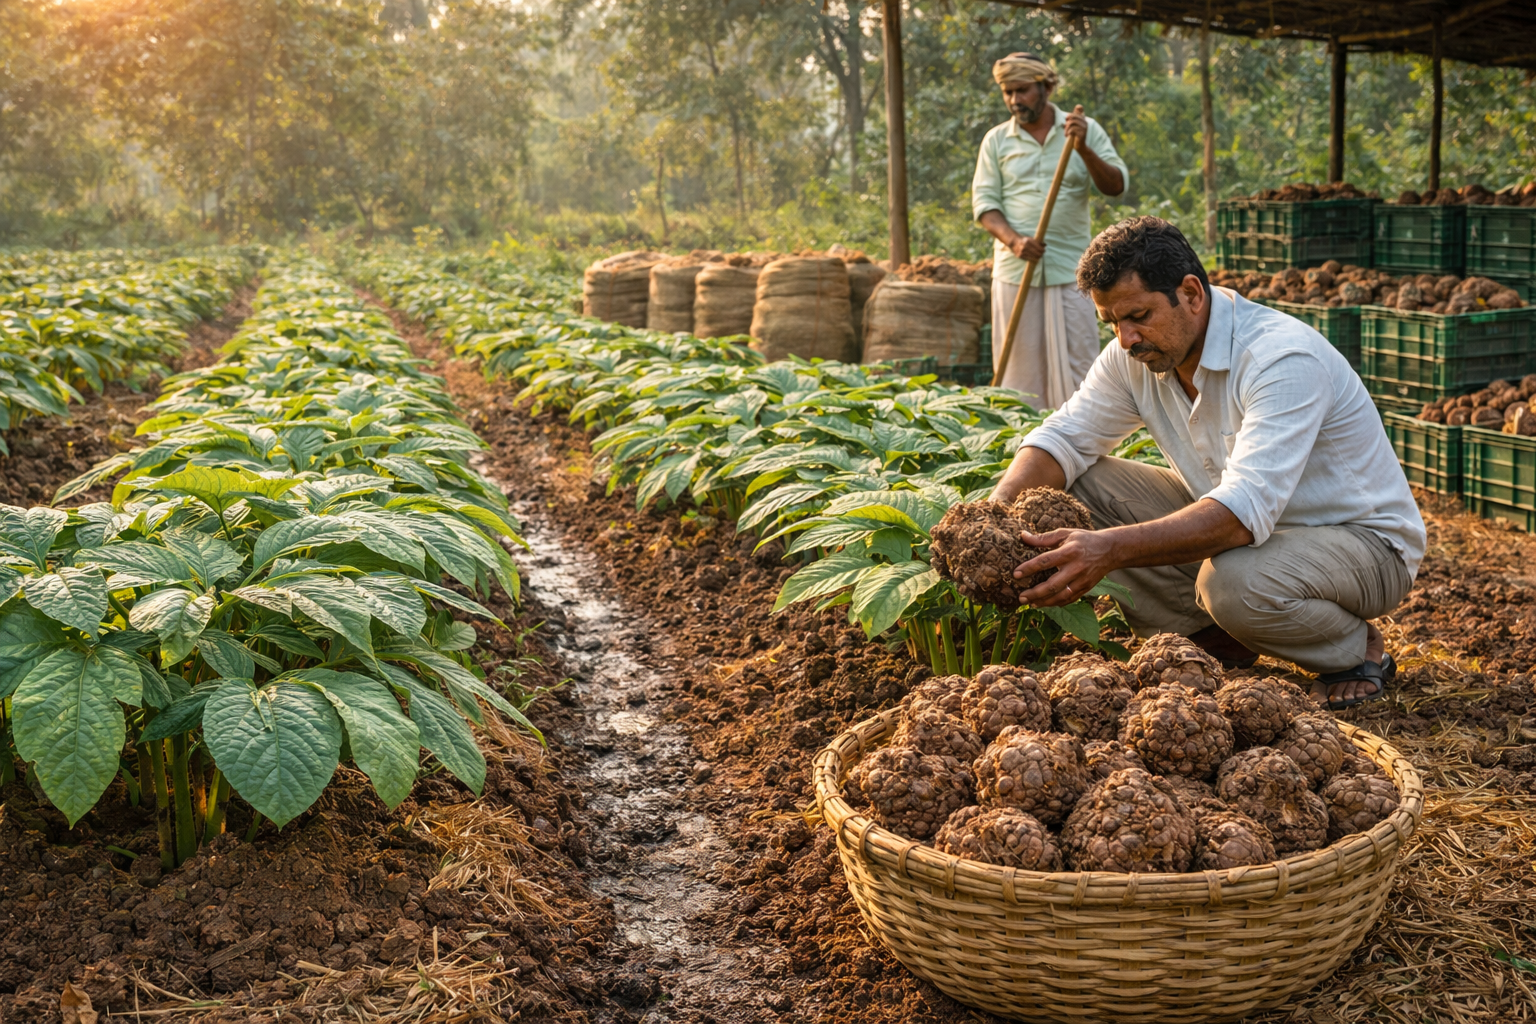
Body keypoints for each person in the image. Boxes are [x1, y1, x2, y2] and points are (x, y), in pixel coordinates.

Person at [989, 216, 1425, 709]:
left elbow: (1241, 512)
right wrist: (993, 516)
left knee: (1234, 583)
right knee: (1078, 481)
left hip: (1363, 547)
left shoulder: (1279, 359)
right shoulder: (1133, 357)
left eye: (1139, 315)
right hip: (1254, 533)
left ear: (1192, 294)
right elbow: (1064, 438)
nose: (1126, 338)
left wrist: (1107, 549)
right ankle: (1215, 635)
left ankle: (1352, 648)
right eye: (1112, 322)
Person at [972, 52, 1127, 408]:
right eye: (1008, 92)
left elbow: (1115, 185)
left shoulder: (1082, 130)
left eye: (1022, 90)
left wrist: (1082, 147)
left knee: (1081, 367)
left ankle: (1081, 445)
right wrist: (1014, 241)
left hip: (1072, 270)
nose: (1014, 100)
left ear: (1047, 86)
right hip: (1015, 270)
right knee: (1018, 373)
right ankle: (1022, 447)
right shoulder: (996, 141)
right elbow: (985, 205)